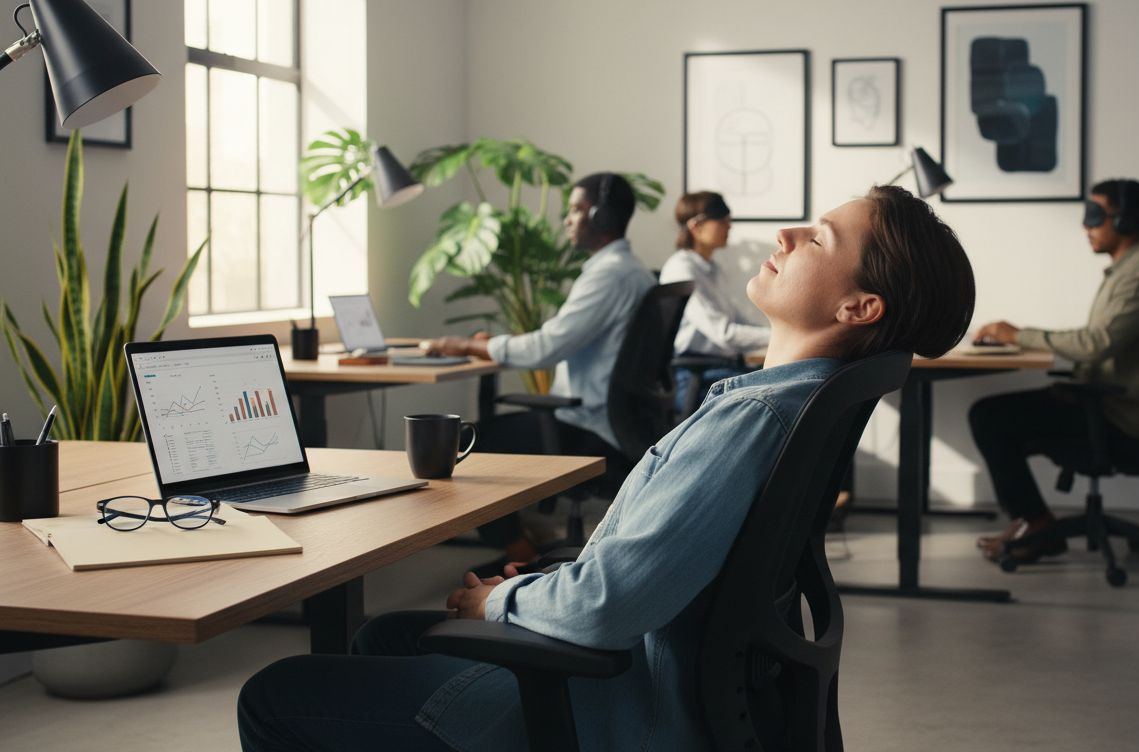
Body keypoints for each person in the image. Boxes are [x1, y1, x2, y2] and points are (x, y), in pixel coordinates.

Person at [237, 184, 977, 752]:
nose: (783, 234)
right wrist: (531, 588)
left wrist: (501, 603)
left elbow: (604, 607)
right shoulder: (795, 403)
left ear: (858, 306)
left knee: (274, 693)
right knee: (384, 638)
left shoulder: (751, 421)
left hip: (618, 701)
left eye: (817, 237)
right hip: (658, 672)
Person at [423, 172, 654, 565]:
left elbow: (547, 347)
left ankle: (519, 551)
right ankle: (525, 541)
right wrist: (487, 345)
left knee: (464, 442)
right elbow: (561, 337)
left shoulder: (608, 276)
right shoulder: (632, 270)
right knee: (486, 433)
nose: (567, 219)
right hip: (614, 423)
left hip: (588, 427)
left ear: (601, 217)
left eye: (577, 210)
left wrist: (466, 345)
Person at [969, 179, 1139, 563]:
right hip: (1102, 405)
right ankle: (1032, 520)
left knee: (989, 418)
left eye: (1094, 216)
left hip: (1116, 420)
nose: (1086, 226)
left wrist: (1020, 334)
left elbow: (1097, 344)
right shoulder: (1126, 272)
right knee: (996, 418)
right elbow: (1096, 342)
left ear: (1125, 220)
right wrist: (1022, 339)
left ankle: (1038, 525)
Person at [659, 191, 770, 412]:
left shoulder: (713, 270)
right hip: (696, 377)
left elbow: (739, 320)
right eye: (722, 220)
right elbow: (724, 333)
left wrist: (783, 331)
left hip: (719, 370)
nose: (729, 226)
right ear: (696, 225)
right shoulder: (682, 269)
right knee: (772, 401)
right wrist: (778, 336)